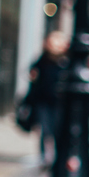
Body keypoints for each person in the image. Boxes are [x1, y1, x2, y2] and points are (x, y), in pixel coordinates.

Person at [26, 32, 69, 168]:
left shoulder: (65, 62)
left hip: (59, 103)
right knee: (45, 130)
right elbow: (33, 75)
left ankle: (57, 157)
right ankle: (44, 157)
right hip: (43, 101)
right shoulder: (43, 60)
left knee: (57, 130)